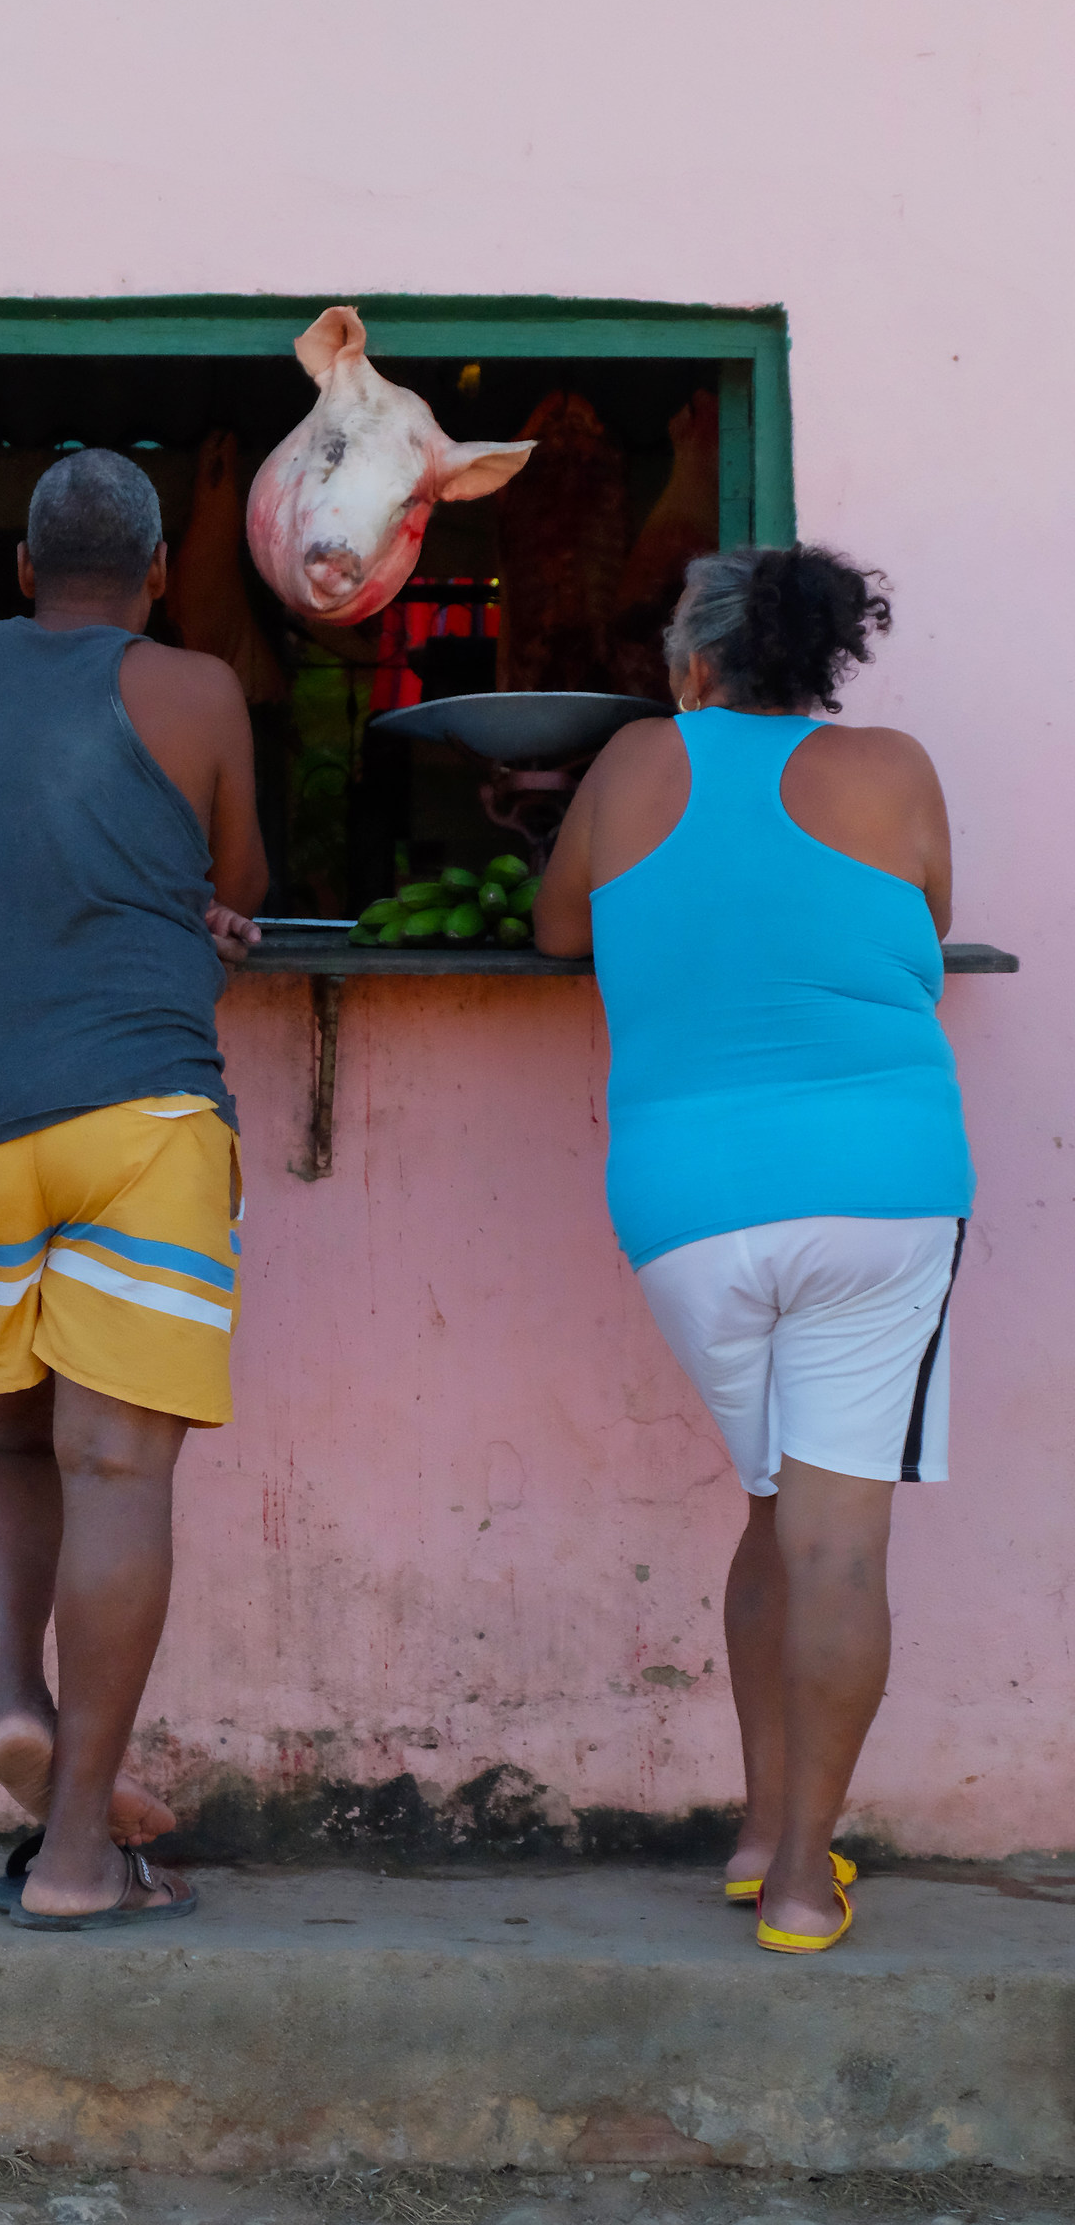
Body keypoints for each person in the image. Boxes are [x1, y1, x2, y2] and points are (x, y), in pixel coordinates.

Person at [535, 544, 973, 1955]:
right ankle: (799, 1878)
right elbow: (928, 918)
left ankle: (755, 1831)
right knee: (836, 1542)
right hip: (884, 1186)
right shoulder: (896, 768)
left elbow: (558, 928)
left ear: (698, 658)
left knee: (775, 1508)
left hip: (688, 1209)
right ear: (825, 660)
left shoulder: (631, 765)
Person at [0, 448, 269, 1929]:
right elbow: (233, 881)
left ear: (26, 571)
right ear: (163, 575)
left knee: (6, 1443)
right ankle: (74, 1861)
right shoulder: (197, 692)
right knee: (119, 1467)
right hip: (141, 1116)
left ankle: (8, 1690)